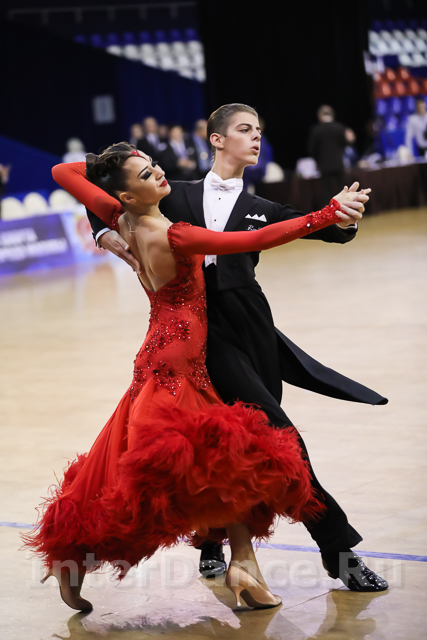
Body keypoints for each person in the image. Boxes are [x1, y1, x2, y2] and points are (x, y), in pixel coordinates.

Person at [22, 143, 358, 613]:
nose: (159, 173)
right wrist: (325, 214)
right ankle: (237, 568)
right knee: (192, 471)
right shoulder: (175, 235)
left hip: (155, 353)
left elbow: (63, 170)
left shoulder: (119, 218)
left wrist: (109, 211)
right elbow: (260, 238)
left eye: (153, 164)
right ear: (128, 195)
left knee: (186, 464)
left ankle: (83, 562)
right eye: (145, 174)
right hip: (183, 364)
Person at [87, 104, 388, 593]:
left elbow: (326, 231)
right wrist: (104, 233)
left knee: (240, 445)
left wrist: (346, 217)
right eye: (245, 129)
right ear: (216, 139)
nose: (256, 138)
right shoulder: (167, 192)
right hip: (203, 337)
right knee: (281, 439)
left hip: (252, 330)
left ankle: (216, 542)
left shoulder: (261, 207)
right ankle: (339, 552)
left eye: (259, 131)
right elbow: (94, 179)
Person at [308, 105, 352, 206]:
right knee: (342, 188)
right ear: (332, 115)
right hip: (338, 163)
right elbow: (345, 144)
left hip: (324, 165)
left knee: (326, 191)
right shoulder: (339, 127)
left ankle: (328, 211)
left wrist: (318, 160)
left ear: (320, 116)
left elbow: (311, 150)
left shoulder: (316, 130)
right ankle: (345, 207)